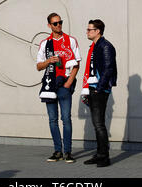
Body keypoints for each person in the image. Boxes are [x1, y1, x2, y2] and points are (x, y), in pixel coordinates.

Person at [37, 13, 81, 163]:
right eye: (55, 23)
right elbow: (38, 66)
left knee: (66, 118)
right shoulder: (45, 43)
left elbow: (77, 64)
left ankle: (68, 152)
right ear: (49, 25)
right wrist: (49, 61)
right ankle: (57, 151)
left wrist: (69, 82)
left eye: (60, 22)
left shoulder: (70, 40)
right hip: (50, 84)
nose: (58, 25)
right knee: (52, 119)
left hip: (64, 85)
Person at [81, 19, 117, 167]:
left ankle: (104, 156)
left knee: (99, 124)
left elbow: (109, 69)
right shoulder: (95, 46)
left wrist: (98, 88)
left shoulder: (106, 46)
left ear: (98, 31)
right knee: (97, 124)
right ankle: (99, 153)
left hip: (99, 89)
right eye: (87, 29)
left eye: (90, 29)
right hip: (93, 87)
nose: (87, 32)